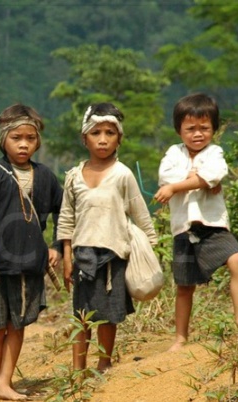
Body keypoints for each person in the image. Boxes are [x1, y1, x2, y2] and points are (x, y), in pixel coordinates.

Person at [0, 103, 62, 401]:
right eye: (16, 138)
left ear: (38, 141)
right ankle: (2, 382)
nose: (23, 144)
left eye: (30, 138)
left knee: (16, 324)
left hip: (29, 264)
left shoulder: (45, 177)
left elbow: (64, 212)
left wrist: (57, 246)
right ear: (3, 139)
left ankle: (4, 383)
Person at [57, 103, 157, 373]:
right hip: (83, 255)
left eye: (110, 133)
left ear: (119, 138)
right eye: (96, 133)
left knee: (108, 314)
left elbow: (140, 212)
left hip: (113, 253)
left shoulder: (122, 174)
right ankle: (78, 369)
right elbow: (66, 219)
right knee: (81, 314)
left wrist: (151, 249)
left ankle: (104, 363)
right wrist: (67, 257)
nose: (103, 139)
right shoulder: (73, 177)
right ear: (84, 138)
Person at [154, 93, 238, 352]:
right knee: (184, 286)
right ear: (179, 130)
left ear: (214, 129)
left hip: (213, 225)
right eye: (190, 129)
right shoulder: (173, 153)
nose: (197, 134)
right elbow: (165, 176)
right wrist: (196, 179)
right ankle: (180, 338)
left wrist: (179, 185)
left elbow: (214, 174)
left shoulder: (214, 152)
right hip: (183, 228)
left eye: (204, 128)